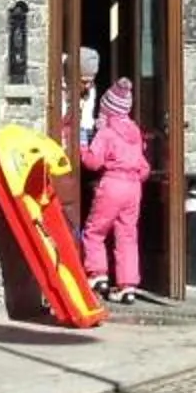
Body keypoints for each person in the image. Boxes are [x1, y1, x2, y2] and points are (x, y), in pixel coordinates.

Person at [79, 77, 149, 300]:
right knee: (127, 235)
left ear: (107, 109)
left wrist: (82, 145)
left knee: (94, 231)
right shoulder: (135, 132)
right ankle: (127, 286)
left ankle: (97, 274)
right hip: (134, 187)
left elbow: (93, 162)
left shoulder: (107, 132)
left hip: (112, 184)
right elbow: (143, 166)